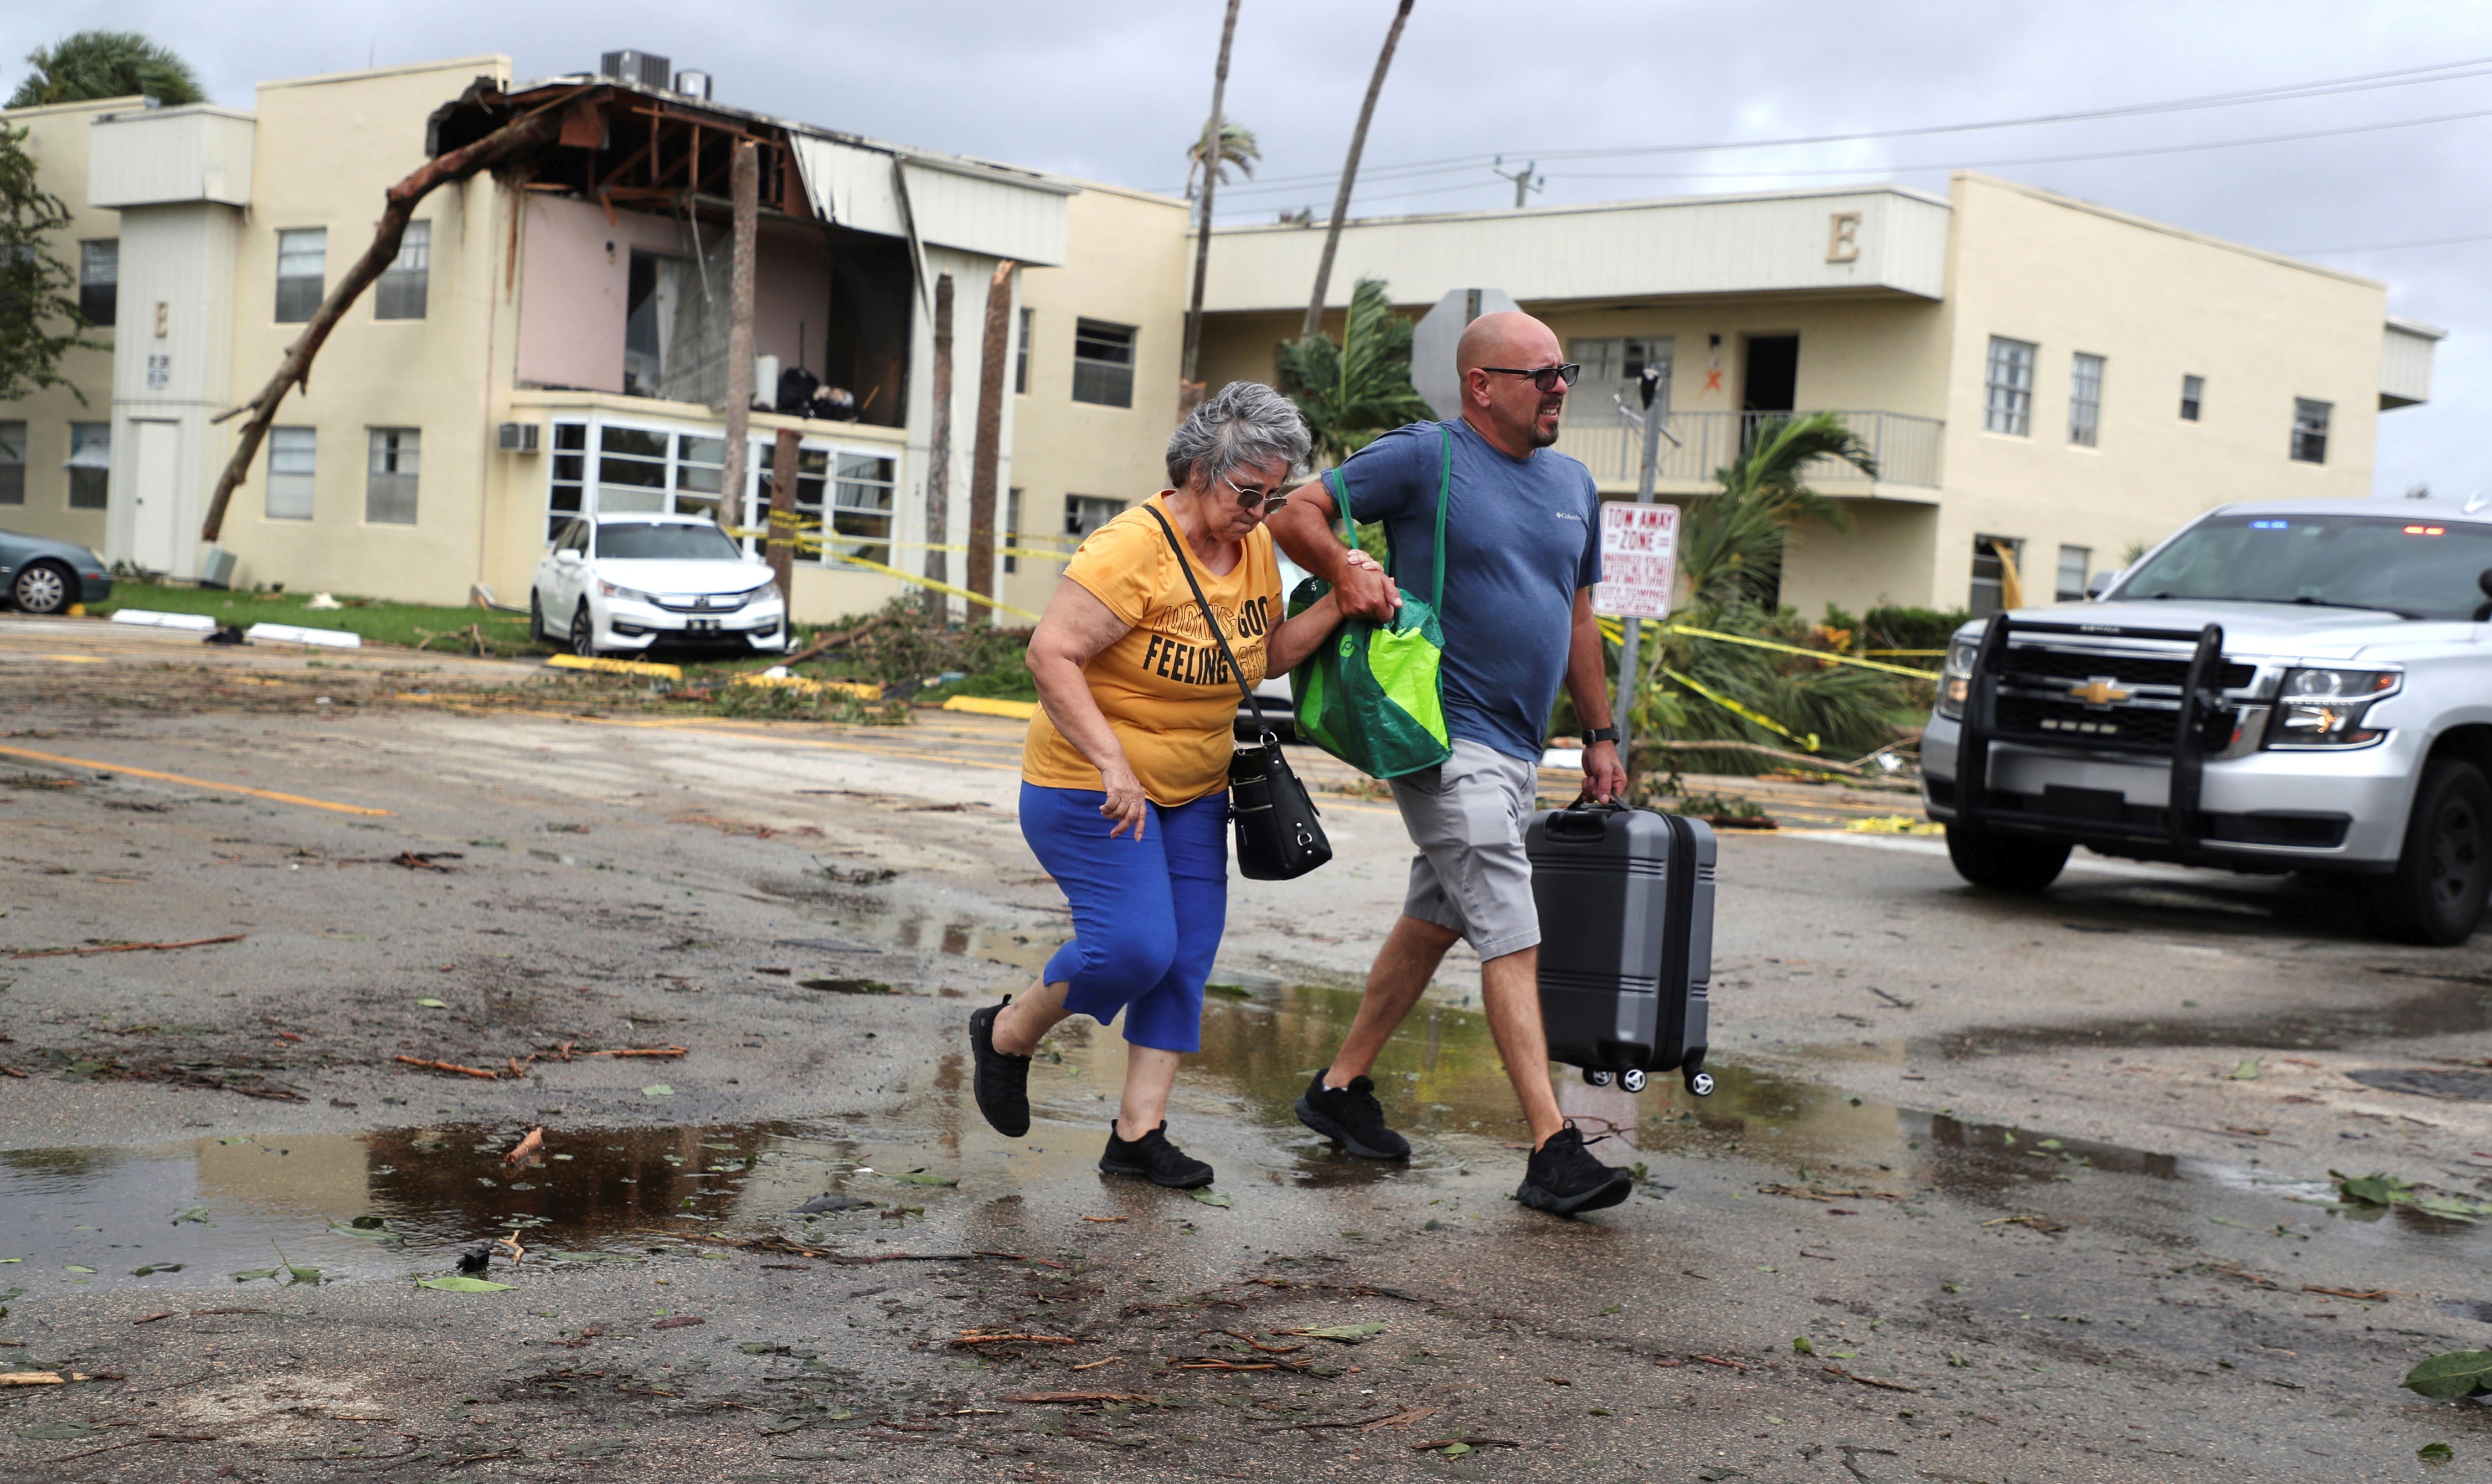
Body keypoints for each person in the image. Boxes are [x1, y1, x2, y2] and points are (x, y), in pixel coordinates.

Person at [1265, 311, 1636, 1216]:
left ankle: (1340, 1089)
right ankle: (1553, 1147)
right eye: (1541, 374)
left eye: (1565, 373)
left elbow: (1577, 616)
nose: (1559, 389)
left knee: (1436, 912)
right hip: (1439, 735)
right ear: (1483, 386)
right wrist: (1350, 566)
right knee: (1510, 921)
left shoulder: (1574, 484)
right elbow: (1293, 509)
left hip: (1517, 749)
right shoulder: (1428, 457)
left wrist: (1599, 734)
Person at [965, 382, 1376, 1189]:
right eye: (1247, 494)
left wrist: (1337, 601)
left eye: (1274, 495)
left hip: (1196, 788)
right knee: (1132, 949)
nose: (1260, 513)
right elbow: (1050, 655)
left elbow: (1259, 657)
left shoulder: (1253, 545)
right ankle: (1009, 1032)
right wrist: (1111, 759)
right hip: (1090, 786)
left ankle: (1137, 1135)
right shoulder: (1130, 549)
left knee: (1185, 958)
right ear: (1198, 474)